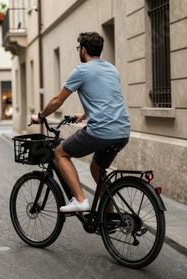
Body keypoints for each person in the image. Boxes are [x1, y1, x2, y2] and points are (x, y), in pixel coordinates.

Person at [30, 32, 130, 212]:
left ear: (83, 50)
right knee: (96, 168)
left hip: (101, 131)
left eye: (79, 49)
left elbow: (56, 101)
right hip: (123, 131)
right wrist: (84, 115)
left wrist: (41, 116)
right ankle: (109, 217)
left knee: (60, 153)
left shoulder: (81, 71)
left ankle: (80, 200)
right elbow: (107, 99)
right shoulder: (112, 69)